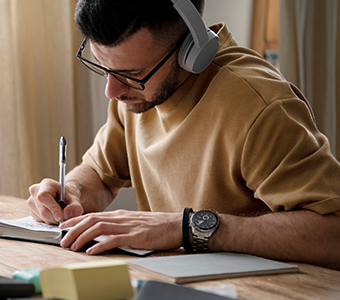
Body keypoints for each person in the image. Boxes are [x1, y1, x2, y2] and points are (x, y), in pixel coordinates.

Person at [27, 0, 340, 270]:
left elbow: (332, 236)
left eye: (131, 74)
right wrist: (74, 193)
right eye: (104, 67)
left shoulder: (260, 107)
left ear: (192, 50)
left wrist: (187, 227)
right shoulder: (137, 95)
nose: (112, 91)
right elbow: (100, 172)